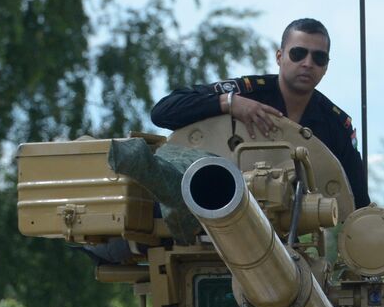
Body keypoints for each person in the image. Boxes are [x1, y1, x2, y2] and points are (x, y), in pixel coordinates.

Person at [150, 17, 369, 207]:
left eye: (318, 58)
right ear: (279, 57)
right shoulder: (247, 92)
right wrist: (229, 104)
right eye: (298, 53)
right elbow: (162, 112)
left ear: (326, 67)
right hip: (210, 207)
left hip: (287, 235)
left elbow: (357, 199)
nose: (308, 63)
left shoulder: (336, 124)